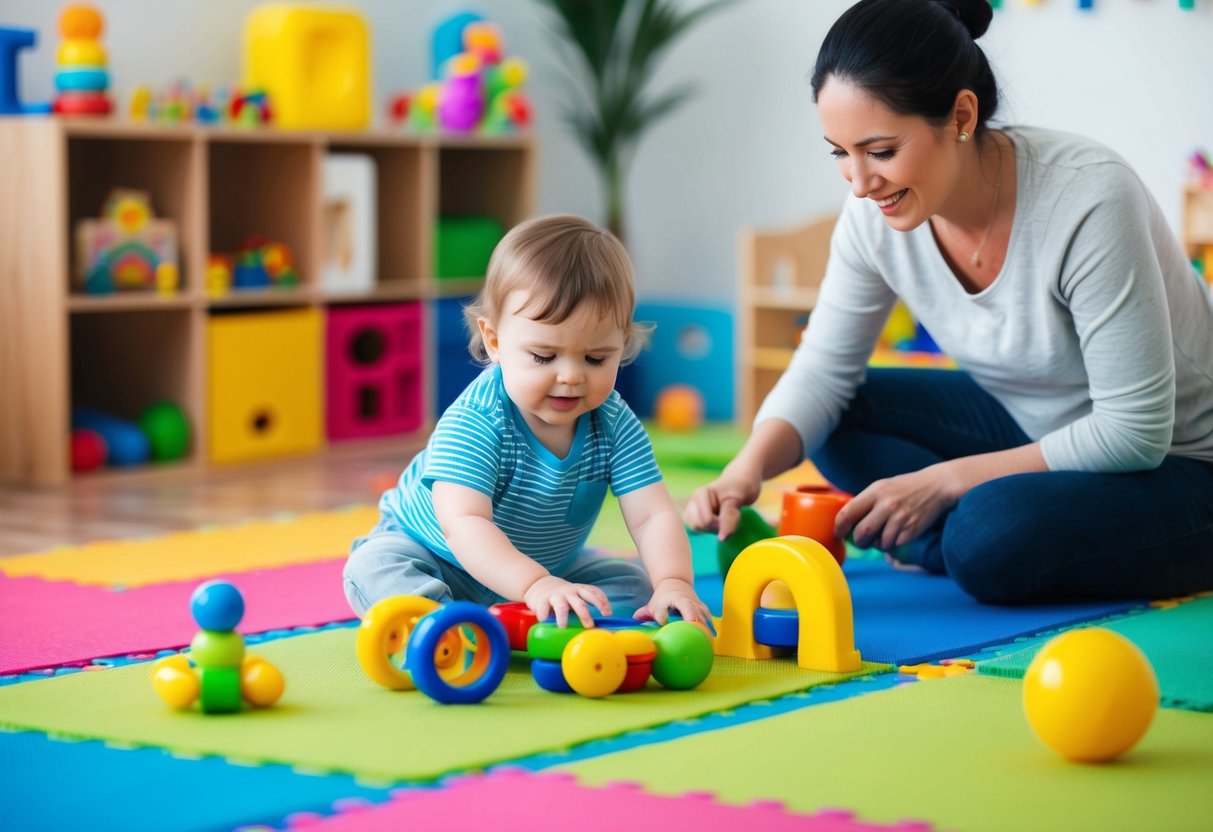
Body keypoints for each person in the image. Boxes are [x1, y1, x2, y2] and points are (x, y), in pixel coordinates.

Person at [685, 0, 1213, 604]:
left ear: (961, 115)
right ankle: (956, 537)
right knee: (833, 419)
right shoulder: (872, 219)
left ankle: (956, 540)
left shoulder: (1089, 199)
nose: (858, 184)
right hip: (1041, 428)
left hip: (1179, 461)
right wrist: (744, 471)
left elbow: (1133, 433)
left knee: (987, 536)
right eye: (840, 152)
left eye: (880, 152)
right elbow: (823, 371)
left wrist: (946, 481)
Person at [345, 214, 711, 629]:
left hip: (547, 569)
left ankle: (522, 618)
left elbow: (652, 516)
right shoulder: (477, 420)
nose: (571, 376)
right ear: (495, 340)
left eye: (596, 358)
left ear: (622, 345)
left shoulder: (614, 424)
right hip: (435, 555)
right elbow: (464, 524)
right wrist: (534, 583)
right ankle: (443, 624)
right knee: (374, 567)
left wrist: (673, 582)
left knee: (634, 587)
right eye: (543, 356)